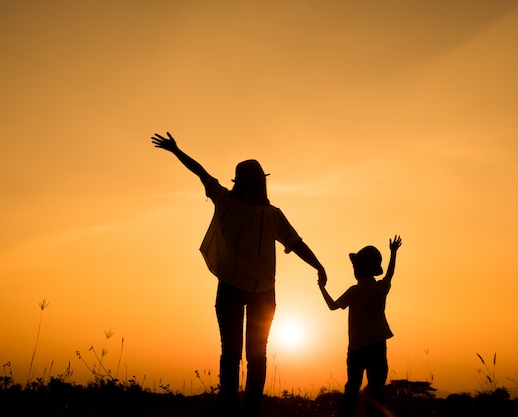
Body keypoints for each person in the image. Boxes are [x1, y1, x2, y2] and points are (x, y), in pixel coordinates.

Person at [151, 132, 327, 417]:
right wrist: (319, 266)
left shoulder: (228, 202)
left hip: (233, 289)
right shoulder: (270, 214)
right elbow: (296, 244)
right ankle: (248, 412)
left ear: (238, 181)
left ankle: (232, 409)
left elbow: (201, 172)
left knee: (231, 353)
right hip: (259, 293)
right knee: (255, 356)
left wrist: (176, 150)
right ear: (262, 183)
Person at [318, 236, 402, 417]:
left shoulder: (354, 291)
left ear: (359, 269)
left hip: (357, 348)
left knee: (352, 390)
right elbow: (390, 273)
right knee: (377, 390)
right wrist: (393, 253)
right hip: (378, 346)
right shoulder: (381, 288)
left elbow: (332, 306)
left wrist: (321, 287)